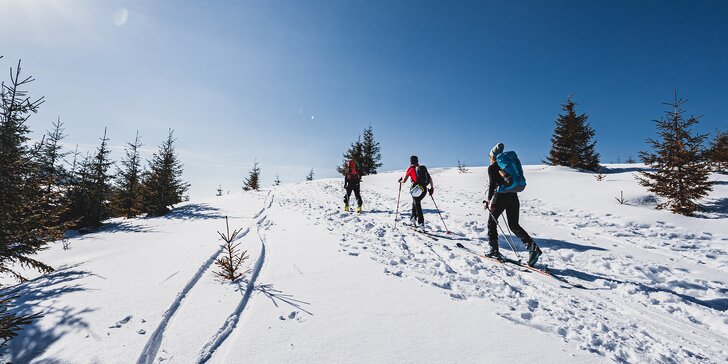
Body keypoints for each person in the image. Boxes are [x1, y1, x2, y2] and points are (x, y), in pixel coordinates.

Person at [485, 143, 542, 266]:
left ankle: (494, 249)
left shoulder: (492, 168)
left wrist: (489, 200)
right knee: (514, 225)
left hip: (500, 197)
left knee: (492, 222)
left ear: (492, 157)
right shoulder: (507, 166)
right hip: (513, 196)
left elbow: (492, 184)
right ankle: (533, 248)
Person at [399, 155, 433, 227]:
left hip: (416, 189)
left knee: (417, 204)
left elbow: (404, 181)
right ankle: (413, 219)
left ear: (411, 161)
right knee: (415, 202)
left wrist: (400, 181)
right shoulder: (422, 168)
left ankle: (421, 224)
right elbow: (430, 179)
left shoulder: (411, 169)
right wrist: (432, 188)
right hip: (424, 189)